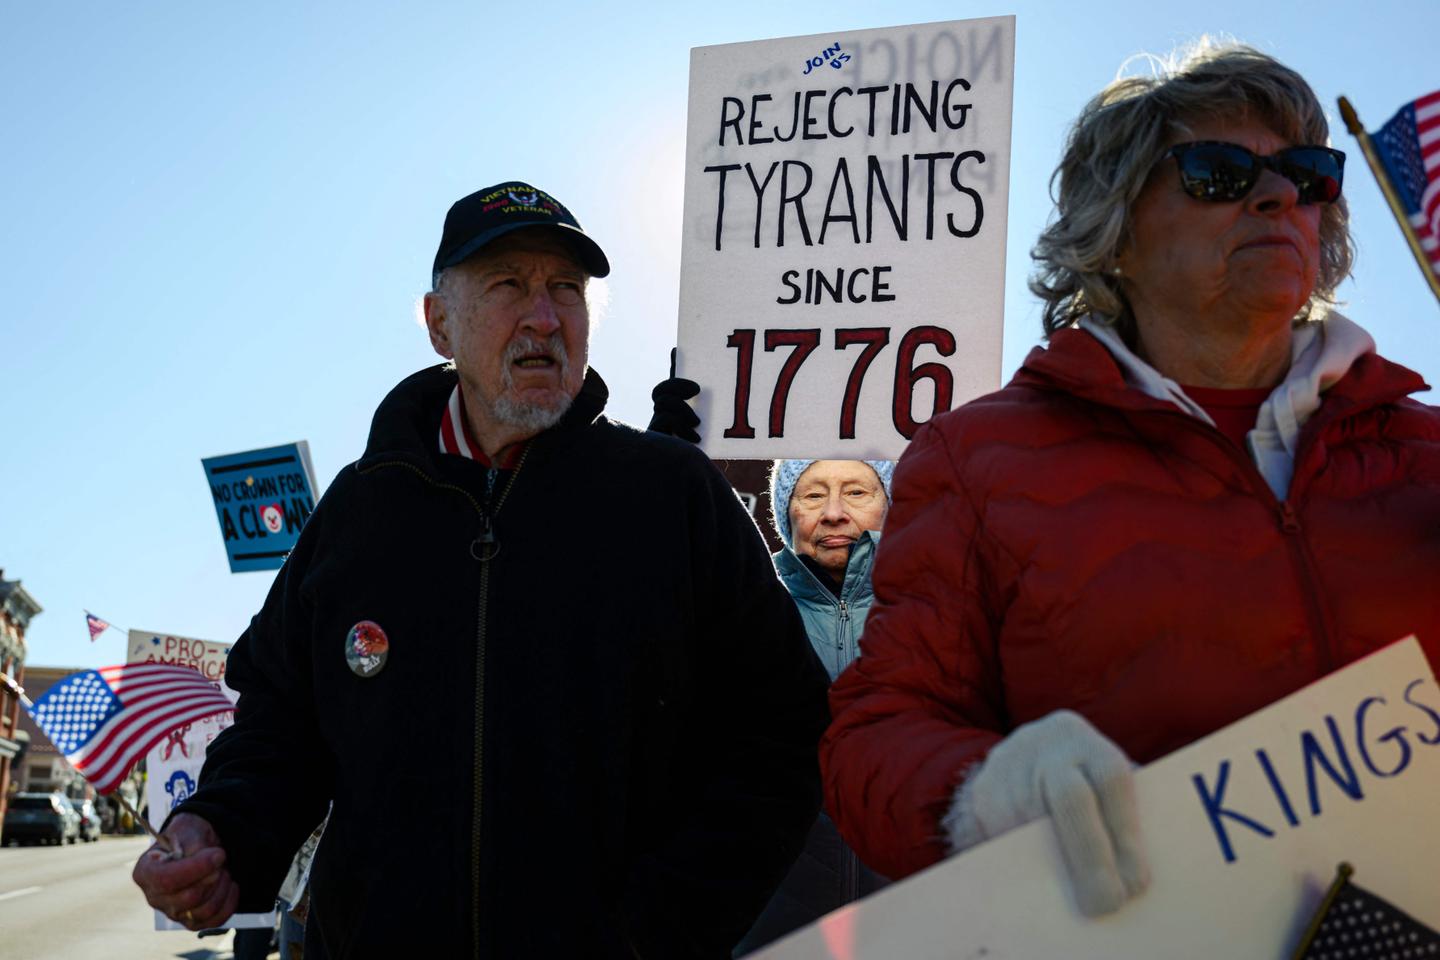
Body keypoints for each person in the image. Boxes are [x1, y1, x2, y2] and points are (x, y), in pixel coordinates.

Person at [821, 41, 1440, 920]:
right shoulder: (978, 460)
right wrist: (978, 789)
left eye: (1305, 173)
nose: (1277, 196)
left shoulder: (1428, 451)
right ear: (1113, 234)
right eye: (1219, 172)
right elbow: (878, 734)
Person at [132, 181, 832, 957]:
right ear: (439, 325)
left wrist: (652, 934)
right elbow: (281, 730)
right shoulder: (357, 515)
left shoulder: (670, 499)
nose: (544, 315)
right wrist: (222, 831)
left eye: (566, 288)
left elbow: (782, 732)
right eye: (508, 284)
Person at [726, 459, 893, 955]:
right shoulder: (736, 610)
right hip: (766, 933)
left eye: (858, 492)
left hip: (915, 924)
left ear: (889, 507)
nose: (835, 513)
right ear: (785, 512)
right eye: (813, 495)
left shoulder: (935, 606)